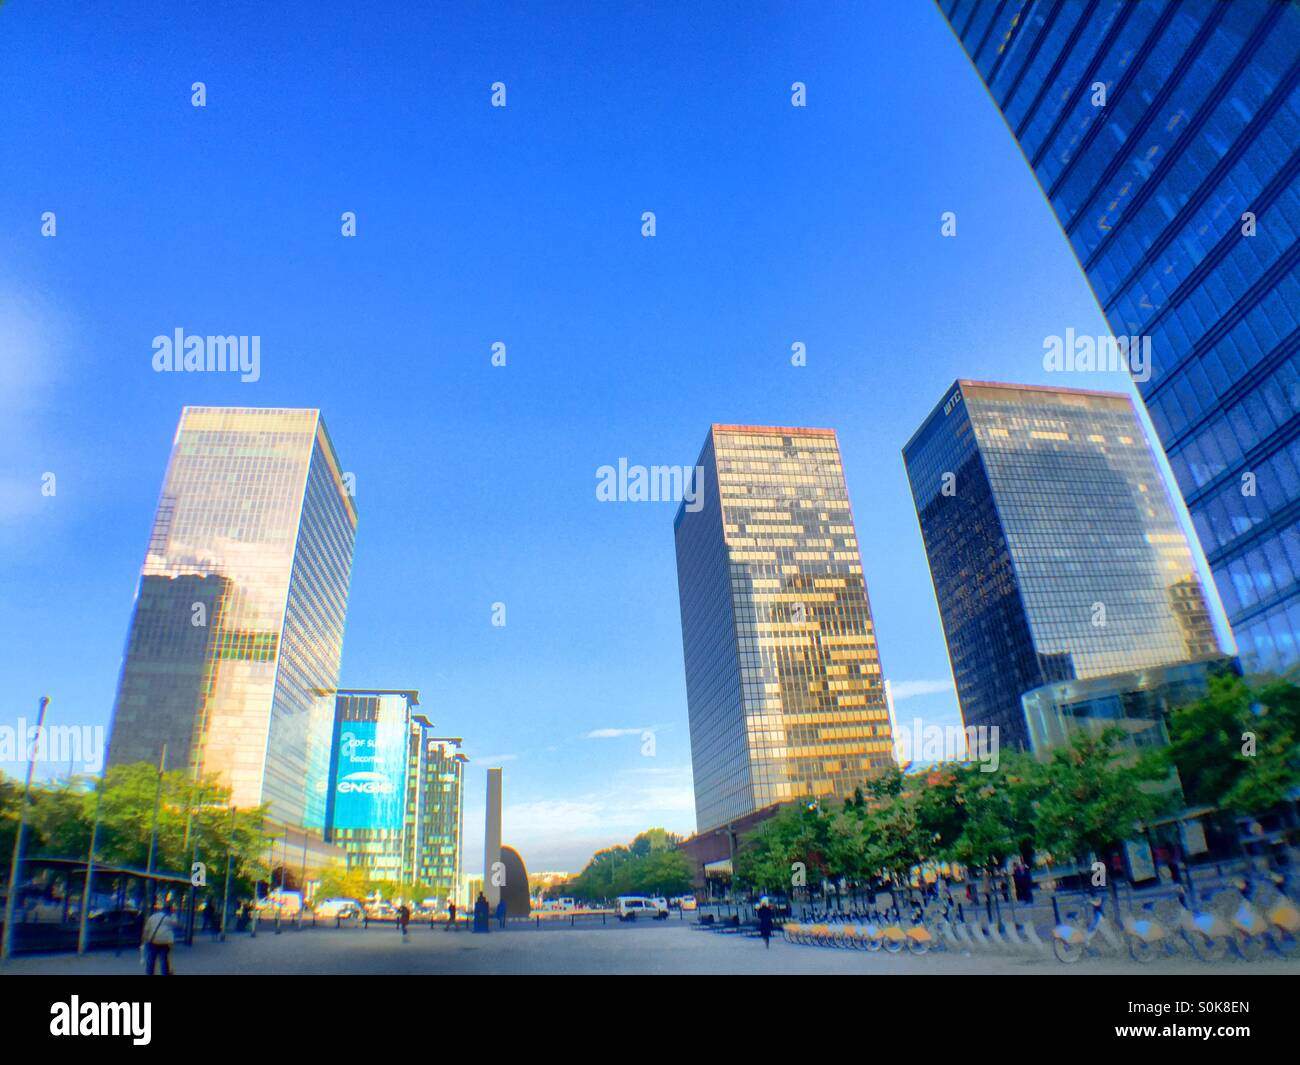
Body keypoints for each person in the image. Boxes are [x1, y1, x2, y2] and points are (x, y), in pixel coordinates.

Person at [141, 901, 176, 976]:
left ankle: (150, 973)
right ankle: (165, 973)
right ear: (170, 910)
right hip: (165, 941)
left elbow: (146, 929)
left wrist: (144, 940)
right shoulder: (169, 917)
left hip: (153, 940)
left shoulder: (153, 917)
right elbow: (177, 925)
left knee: (151, 959)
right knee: (164, 959)